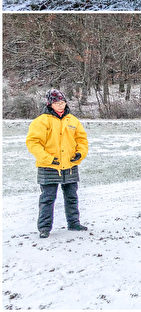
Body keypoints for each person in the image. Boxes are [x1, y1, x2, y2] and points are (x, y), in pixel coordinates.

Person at [25, 89, 89, 238]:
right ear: (50, 104)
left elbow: (82, 140)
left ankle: (74, 223)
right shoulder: (41, 121)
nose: (60, 105)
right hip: (49, 166)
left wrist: (80, 154)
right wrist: (48, 158)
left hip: (70, 165)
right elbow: (33, 143)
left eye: (62, 102)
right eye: (57, 103)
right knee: (47, 198)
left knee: (72, 196)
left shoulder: (73, 120)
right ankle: (44, 228)